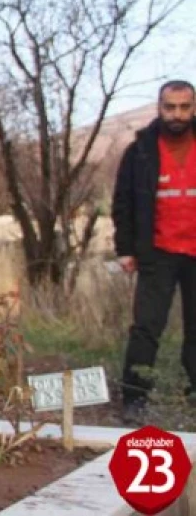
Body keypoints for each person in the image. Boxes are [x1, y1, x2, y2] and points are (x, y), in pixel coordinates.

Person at [113, 79, 196, 422]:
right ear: (159, 107)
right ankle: (135, 398)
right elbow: (123, 202)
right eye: (170, 107)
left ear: (193, 108)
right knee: (146, 328)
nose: (177, 114)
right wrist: (125, 249)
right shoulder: (141, 151)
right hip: (156, 252)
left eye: (184, 107)